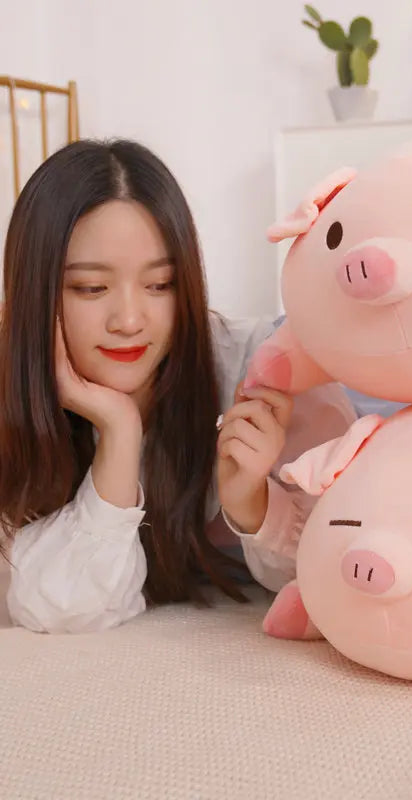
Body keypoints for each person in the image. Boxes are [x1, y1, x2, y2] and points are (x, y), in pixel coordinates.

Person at [0, 139, 356, 634]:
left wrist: (251, 502)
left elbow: (347, 569)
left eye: (160, 284)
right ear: (34, 292)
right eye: (90, 288)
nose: (128, 320)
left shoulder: (262, 375)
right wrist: (120, 431)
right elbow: (60, 608)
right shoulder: (13, 398)